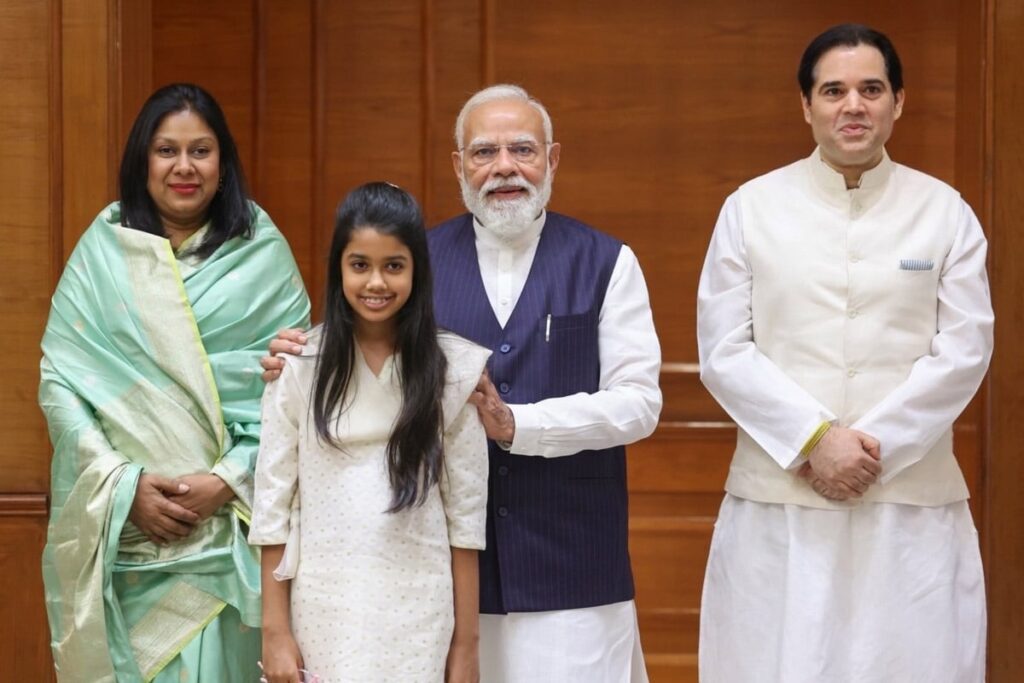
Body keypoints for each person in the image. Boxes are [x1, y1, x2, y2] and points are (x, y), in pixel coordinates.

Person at [263, 84, 663, 682]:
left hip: (571, 566)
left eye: (523, 150)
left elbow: (640, 404)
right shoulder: (410, 262)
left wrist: (518, 424)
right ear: (459, 166)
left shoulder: (607, 261)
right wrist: (294, 355)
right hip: (431, 586)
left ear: (552, 160)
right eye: (484, 152)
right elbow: (355, 350)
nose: (504, 167)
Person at [697, 24, 993, 682]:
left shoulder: (945, 213)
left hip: (909, 502)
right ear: (807, 105)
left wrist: (867, 448)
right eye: (834, 90)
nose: (852, 105)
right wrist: (814, 439)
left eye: (870, 89)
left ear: (898, 102)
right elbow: (723, 351)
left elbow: (965, 350)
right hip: (780, 498)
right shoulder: (751, 209)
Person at [39, 83, 310, 682]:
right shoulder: (101, 251)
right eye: (167, 150)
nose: (184, 167)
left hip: (225, 539)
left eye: (201, 150)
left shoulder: (261, 255)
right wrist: (123, 487)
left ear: (223, 162)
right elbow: (62, 382)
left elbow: (296, 396)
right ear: (143, 159)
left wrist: (226, 481)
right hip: (126, 542)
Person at [249, 182, 490, 683]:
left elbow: (466, 520)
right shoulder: (298, 367)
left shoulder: (455, 371)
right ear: (338, 268)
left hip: (421, 609)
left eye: (393, 266)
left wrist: (466, 646)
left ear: (416, 270)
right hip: (324, 606)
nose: (375, 282)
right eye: (360, 264)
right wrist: (275, 632)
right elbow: (271, 509)